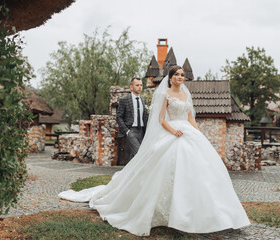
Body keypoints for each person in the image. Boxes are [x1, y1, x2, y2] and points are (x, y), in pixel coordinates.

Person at [59, 66, 250, 236]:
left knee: (202, 171)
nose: (180, 77)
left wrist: (199, 134)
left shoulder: (187, 95)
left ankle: (208, 213)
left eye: (183, 75)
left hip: (189, 132)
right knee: (164, 166)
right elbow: (160, 119)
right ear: (171, 77)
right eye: (177, 75)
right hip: (172, 132)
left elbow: (191, 118)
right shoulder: (165, 94)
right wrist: (173, 130)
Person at [116, 77, 148, 160]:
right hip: (131, 131)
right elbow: (119, 117)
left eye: (141, 85)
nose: (140, 87)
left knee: (134, 157)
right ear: (131, 87)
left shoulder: (143, 101)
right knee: (139, 153)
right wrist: (127, 131)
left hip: (141, 131)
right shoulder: (124, 100)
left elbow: (146, 117)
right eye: (137, 85)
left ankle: (129, 173)